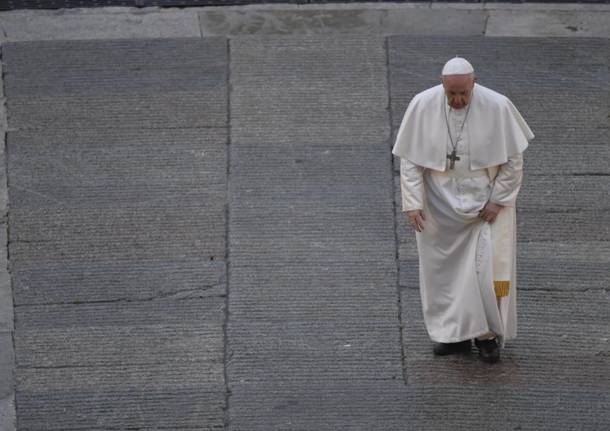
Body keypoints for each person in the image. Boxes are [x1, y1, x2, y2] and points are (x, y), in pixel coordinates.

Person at [392, 57, 534, 363]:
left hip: (486, 207)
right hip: (439, 207)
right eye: (451, 94)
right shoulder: (422, 104)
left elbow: (513, 160)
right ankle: (450, 334)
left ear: (474, 83)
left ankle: (486, 337)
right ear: (442, 84)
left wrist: (498, 200)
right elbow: (411, 161)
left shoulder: (497, 106)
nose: (457, 100)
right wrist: (413, 203)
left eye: (463, 94)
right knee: (442, 276)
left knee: (485, 273)